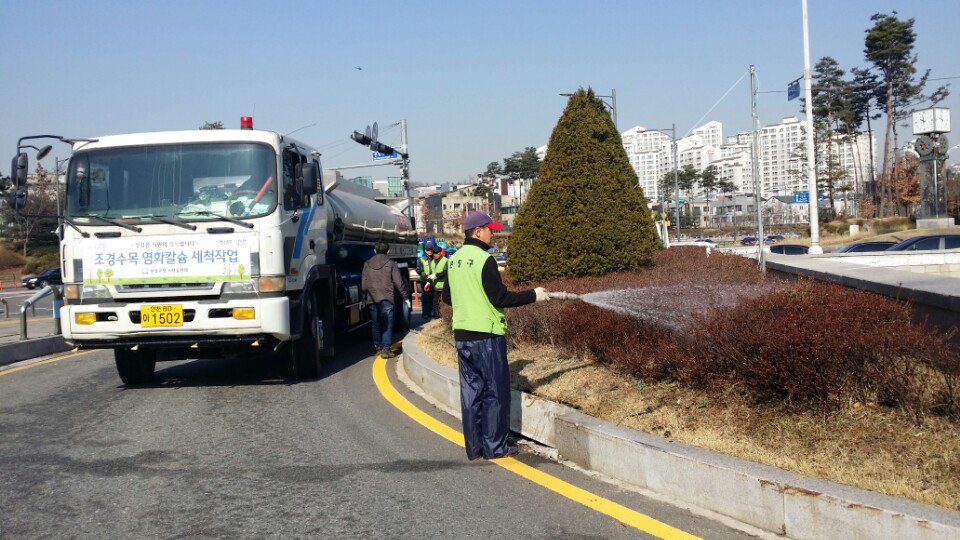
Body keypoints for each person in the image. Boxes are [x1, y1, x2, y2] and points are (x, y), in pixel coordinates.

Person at [442, 211, 550, 460]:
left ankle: (475, 448)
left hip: (462, 336)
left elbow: (447, 297)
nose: (494, 233)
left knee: (471, 393)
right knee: (494, 391)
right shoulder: (484, 260)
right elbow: (500, 297)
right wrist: (534, 295)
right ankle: (495, 446)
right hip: (487, 336)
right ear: (477, 231)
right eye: (490, 229)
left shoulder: (454, 260)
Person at [361, 242, 409, 358]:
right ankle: (386, 349)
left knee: (375, 323)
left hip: (372, 298)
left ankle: (378, 347)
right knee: (387, 323)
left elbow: (363, 283)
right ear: (388, 252)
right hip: (387, 297)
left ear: (375, 251)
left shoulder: (367, 264)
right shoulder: (391, 263)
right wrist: (405, 297)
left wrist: (363, 299)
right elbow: (398, 282)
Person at [425, 245, 448, 318]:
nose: (434, 255)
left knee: (444, 303)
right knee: (435, 303)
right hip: (435, 287)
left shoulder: (445, 261)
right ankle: (436, 317)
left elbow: (446, 272)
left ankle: (444, 317)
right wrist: (428, 282)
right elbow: (431, 274)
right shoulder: (432, 262)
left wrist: (436, 275)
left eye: (436, 253)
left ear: (440, 253)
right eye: (433, 253)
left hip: (444, 286)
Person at [417, 240, 437, 320]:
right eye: (428, 250)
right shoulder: (421, 259)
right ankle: (425, 313)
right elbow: (418, 269)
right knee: (425, 298)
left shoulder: (435, 258)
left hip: (433, 281)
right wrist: (423, 274)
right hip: (425, 281)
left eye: (431, 250)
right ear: (425, 250)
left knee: (433, 297)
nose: (430, 251)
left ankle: (433, 313)